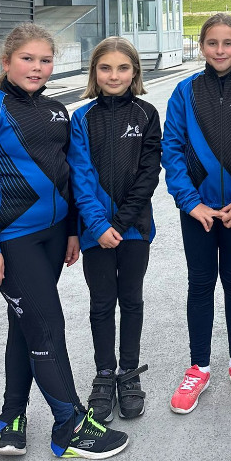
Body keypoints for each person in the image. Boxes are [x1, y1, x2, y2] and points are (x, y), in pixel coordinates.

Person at [0, 22, 128, 459]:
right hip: (13, 241)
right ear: (6, 61)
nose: (37, 67)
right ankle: (70, 426)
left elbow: (65, 174)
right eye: (27, 58)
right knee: (47, 325)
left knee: (26, 324)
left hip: (53, 238)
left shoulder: (56, 110)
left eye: (45, 60)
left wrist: (71, 230)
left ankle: (11, 417)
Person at [163, 14, 231, 413]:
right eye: (212, 43)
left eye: (228, 43)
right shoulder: (184, 91)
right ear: (201, 46)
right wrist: (191, 203)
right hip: (199, 211)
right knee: (201, 283)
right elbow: (172, 150)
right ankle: (199, 367)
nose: (220, 50)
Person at [68, 38, 161, 423]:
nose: (114, 75)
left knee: (132, 300)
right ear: (94, 72)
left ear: (134, 72)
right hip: (95, 233)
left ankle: (129, 372)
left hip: (134, 228)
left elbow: (149, 174)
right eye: (105, 68)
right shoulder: (81, 118)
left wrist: (119, 224)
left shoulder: (146, 114)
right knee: (102, 303)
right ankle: (105, 374)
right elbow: (80, 177)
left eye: (123, 68)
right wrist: (98, 225)